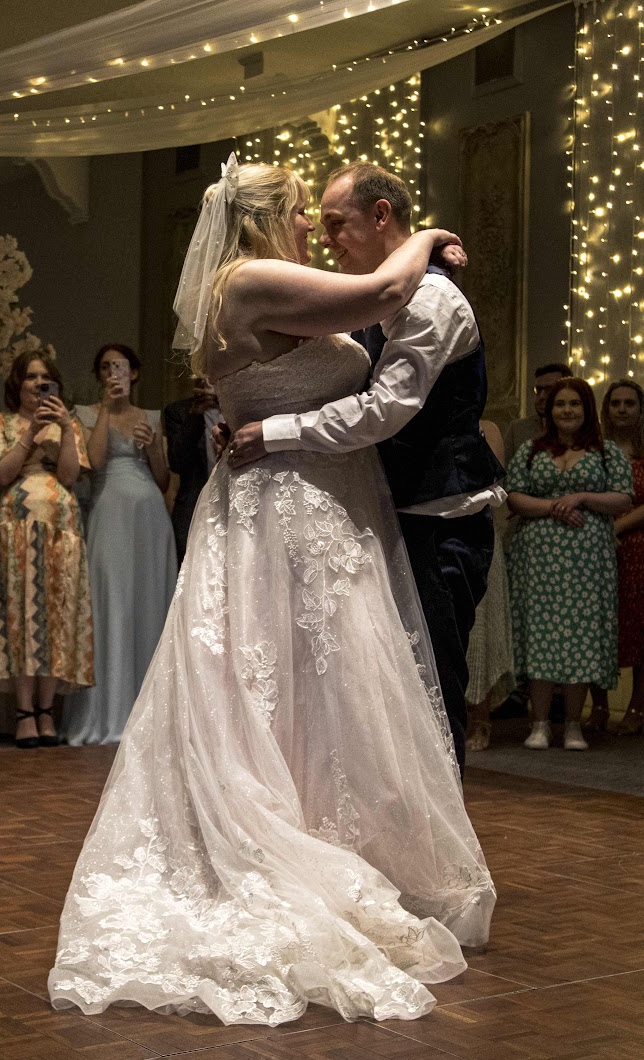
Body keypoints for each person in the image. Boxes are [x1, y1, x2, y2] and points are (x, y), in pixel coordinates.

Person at [50, 159, 492, 1026]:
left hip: (305, 502)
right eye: (302, 215)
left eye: (326, 219)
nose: (312, 231)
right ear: (267, 217)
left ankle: (334, 833)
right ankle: (283, 846)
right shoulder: (252, 279)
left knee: (317, 690)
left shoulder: (253, 285)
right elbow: (378, 294)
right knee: (291, 684)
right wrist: (434, 236)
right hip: (286, 506)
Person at [226, 162, 505, 771]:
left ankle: (442, 827)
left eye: (335, 223)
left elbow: (384, 411)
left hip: (437, 518)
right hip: (379, 516)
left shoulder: (430, 298)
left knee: (432, 691)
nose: (326, 239)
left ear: (381, 216)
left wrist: (275, 430)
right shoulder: (373, 296)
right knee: (381, 702)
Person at [504, 378, 633, 752]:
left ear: (587, 409)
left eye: (574, 403)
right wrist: (554, 507)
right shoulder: (531, 450)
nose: (566, 410)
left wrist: (581, 497)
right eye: (560, 404)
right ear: (550, 410)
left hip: (587, 563)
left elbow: (623, 499)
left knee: (582, 637)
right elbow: (514, 498)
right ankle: (540, 724)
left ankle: (574, 724)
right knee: (540, 636)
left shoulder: (606, 452)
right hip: (538, 563)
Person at [0, 352, 93, 748]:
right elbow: (2, 474)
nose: (38, 384)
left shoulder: (69, 424)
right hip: (17, 525)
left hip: (62, 527)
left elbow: (69, 476)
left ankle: (46, 711)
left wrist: (63, 428)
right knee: (21, 617)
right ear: (18, 383)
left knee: (55, 617)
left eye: (46, 377)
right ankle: (24, 712)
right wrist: (31, 434)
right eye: (31, 377)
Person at [64, 344, 176, 746]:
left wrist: (152, 448)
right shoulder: (85, 414)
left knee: (148, 604)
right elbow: (93, 463)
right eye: (107, 368)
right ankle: (108, 712)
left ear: (135, 373)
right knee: (110, 601)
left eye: (122, 367)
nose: (115, 373)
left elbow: (163, 480)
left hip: (148, 518)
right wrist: (107, 412)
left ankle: (150, 712)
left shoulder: (152, 417)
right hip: (109, 511)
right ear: (100, 375)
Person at [587, 379, 644, 735]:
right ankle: (598, 706)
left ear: (642, 410)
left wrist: (617, 527)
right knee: (597, 622)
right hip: (598, 545)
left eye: (630, 403)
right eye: (616, 403)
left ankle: (637, 709)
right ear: (606, 409)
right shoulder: (593, 451)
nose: (622, 409)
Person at [464, 419, 513, 752]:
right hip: (428, 528)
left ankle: (480, 716)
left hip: (476, 529)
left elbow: (491, 479)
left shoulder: (487, 427)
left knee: (480, 625)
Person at [161, 375, 222, 559]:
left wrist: (225, 401)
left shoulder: (238, 408)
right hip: (193, 509)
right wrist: (195, 415)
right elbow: (177, 463)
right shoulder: (178, 411)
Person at [506, 363, 571, 463]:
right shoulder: (517, 429)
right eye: (538, 390)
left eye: (549, 389)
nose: (541, 396)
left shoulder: (579, 429)